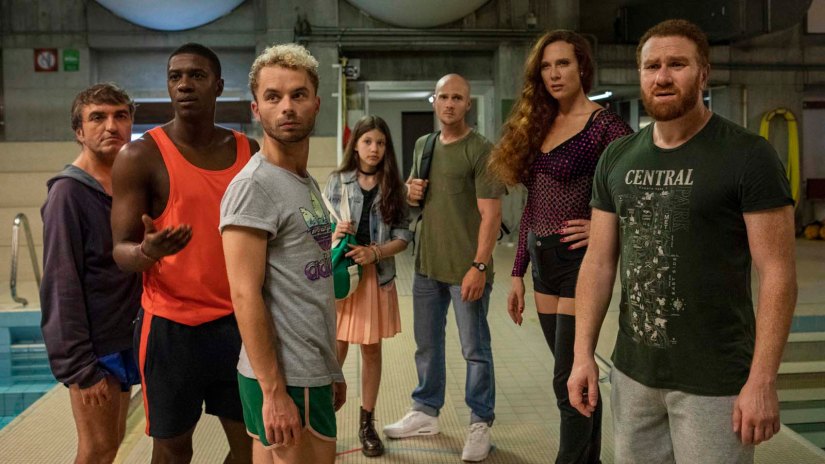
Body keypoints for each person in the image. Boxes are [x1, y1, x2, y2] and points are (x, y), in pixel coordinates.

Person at [568, 19, 797, 464]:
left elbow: (778, 274)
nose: (663, 76)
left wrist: (763, 379)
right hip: (633, 374)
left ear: (703, 74)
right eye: (652, 66)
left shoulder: (747, 155)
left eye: (677, 64)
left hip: (715, 380)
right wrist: (582, 356)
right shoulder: (618, 156)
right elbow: (598, 262)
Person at [488, 30, 633, 464]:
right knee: (577, 377)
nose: (554, 74)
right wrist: (517, 272)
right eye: (546, 66)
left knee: (565, 377)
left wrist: (606, 227)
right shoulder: (538, 124)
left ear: (582, 67)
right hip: (541, 262)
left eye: (563, 63)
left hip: (579, 265)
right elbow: (533, 203)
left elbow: (636, 190)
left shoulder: (605, 126)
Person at [111, 43, 259, 464]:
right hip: (170, 328)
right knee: (173, 451)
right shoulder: (140, 156)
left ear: (219, 86)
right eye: (175, 76)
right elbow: (120, 250)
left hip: (239, 323)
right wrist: (146, 251)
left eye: (196, 75)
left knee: (253, 447)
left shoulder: (250, 153)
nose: (184, 84)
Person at [220, 43, 346, 464]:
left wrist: (330, 367)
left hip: (308, 368)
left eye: (298, 94)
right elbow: (244, 295)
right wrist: (274, 391)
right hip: (286, 377)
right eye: (273, 97)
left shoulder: (302, 180)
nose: (287, 107)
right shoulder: (254, 186)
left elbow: (309, 285)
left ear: (316, 104)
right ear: (256, 109)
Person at [383, 73, 504, 462]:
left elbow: (491, 216)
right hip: (427, 266)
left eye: (457, 98)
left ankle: (480, 421)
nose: (449, 104)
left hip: (466, 268)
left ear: (468, 104)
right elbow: (416, 199)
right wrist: (410, 191)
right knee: (427, 344)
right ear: (433, 101)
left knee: (475, 350)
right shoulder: (425, 144)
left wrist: (479, 266)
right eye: (443, 97)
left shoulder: (482, 150)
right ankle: (425, 410)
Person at [40, 83, 141, 464]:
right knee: (97, 450)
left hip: (123, 337)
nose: (111, 126)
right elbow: (60, 286)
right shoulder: (68, 194)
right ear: (79, 131)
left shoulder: (127, 186)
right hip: (95, 351)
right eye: (97, 118)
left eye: (120, 116)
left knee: (112, 442)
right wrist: (80, 367)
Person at [323, 115, 411, 457]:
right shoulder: (337, 181)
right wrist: (334, 233)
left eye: (381, 143)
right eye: (368, 141)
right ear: (356, 145)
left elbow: (403, 236)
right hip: (343, 275)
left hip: (375, 277)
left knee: (371, 350)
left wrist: (375, 253)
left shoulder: (394, 185)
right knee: (336, 347)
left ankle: (367, 423)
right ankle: (324, 422)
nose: (374, 149)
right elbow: (318, 228)